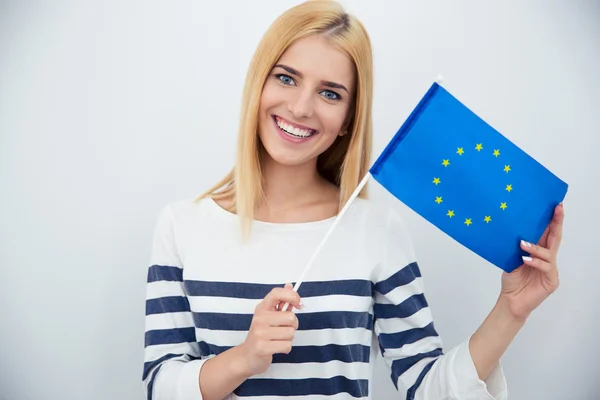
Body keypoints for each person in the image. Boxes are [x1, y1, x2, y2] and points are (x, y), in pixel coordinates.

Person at [142, 1, 565, 399]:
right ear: (258, 83)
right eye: (286, 77)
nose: (301, 107)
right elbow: (159, 384)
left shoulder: (375, 229)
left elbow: (426, 387)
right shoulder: (183, 225)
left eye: (330, 93)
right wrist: (244, 358)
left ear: (348, 120)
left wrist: (511, 310)